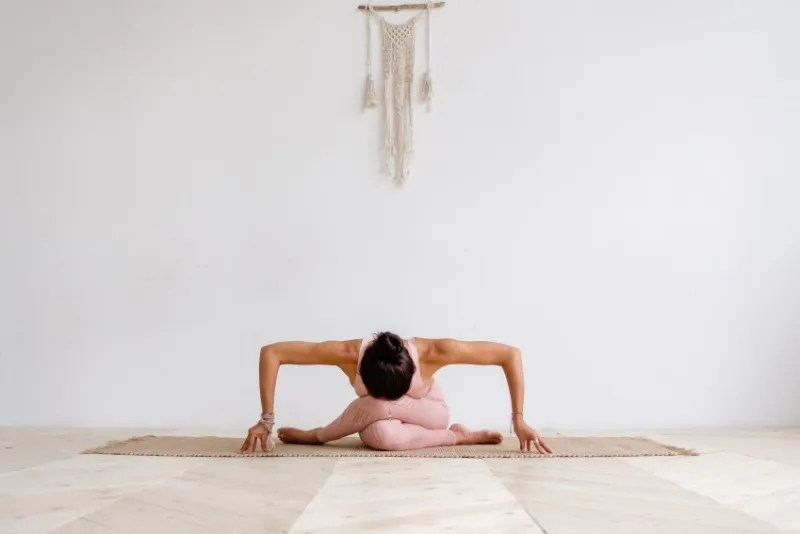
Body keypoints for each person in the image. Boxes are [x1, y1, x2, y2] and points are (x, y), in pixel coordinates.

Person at [240, 332, 552, 454]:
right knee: (382, 437)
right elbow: (272, 353)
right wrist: (265, 420)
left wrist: (519, 419)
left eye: (397, 393)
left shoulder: (434, 352)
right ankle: (458, 438)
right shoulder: (348, 354)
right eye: (379, 393)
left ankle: (319, 436)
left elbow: (509, 355)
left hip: (430, 414)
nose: (390, 401)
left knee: (375, 412)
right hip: (386, 427)